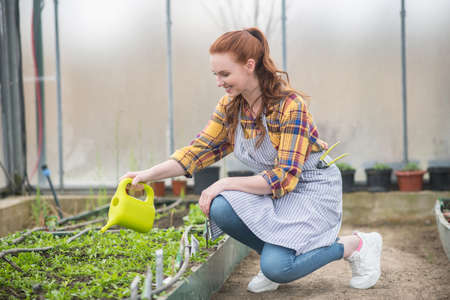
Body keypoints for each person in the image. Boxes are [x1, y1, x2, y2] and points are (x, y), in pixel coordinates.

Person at [120, 27, 382, 293]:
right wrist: (145, 175)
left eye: (225, 74)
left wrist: (224, 183)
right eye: (216, 75)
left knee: (277, 268)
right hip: (273, 189)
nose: (219, 82)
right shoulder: (230, 106)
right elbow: (198, 151)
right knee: (220, 207)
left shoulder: (290, 106)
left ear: (249, 65)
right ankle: (276, 255)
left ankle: (354, 245)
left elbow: (285, 177)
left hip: (309, 187)